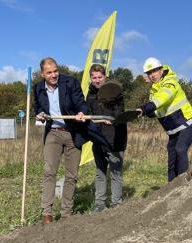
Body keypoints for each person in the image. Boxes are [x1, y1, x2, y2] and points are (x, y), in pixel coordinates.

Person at [34, 57, 108, 224]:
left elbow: (81, 102)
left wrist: (82, 112)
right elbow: (38, 107)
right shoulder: (38, 88)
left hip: (73, 132)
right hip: (53, 132)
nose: (53, 75)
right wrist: (39, 114)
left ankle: (66, 212)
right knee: (49, 171)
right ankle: (47, 212)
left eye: (55, 71)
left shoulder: (70, 82)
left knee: (71, 175)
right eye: (49, 73)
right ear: (42, 74)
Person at [137, 57, 192, 182]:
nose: (152, 75)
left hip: (188, 125)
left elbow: (162, 98)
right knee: (171, 162)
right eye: (149, 73)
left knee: (180, 150)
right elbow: (156, 111)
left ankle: (183, 185)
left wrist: (145, 108)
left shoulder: (170, 82)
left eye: (154, 71)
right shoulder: (154, 90)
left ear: (161, 70)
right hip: (173, 131)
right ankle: (170, 191)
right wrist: (144, 112)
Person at [86, 64, 127, 212]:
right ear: (90, 78)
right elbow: (88, 113)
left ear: (105, 77)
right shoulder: (90, 95)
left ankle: (116, 204)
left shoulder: (115, 92)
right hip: (98, 139)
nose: (97, 80)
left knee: (115, 173)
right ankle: (99, 204)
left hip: (115, 139)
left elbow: (120, 111)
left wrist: (113, 118)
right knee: (100, 172)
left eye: (100, 77)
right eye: (94, 77)